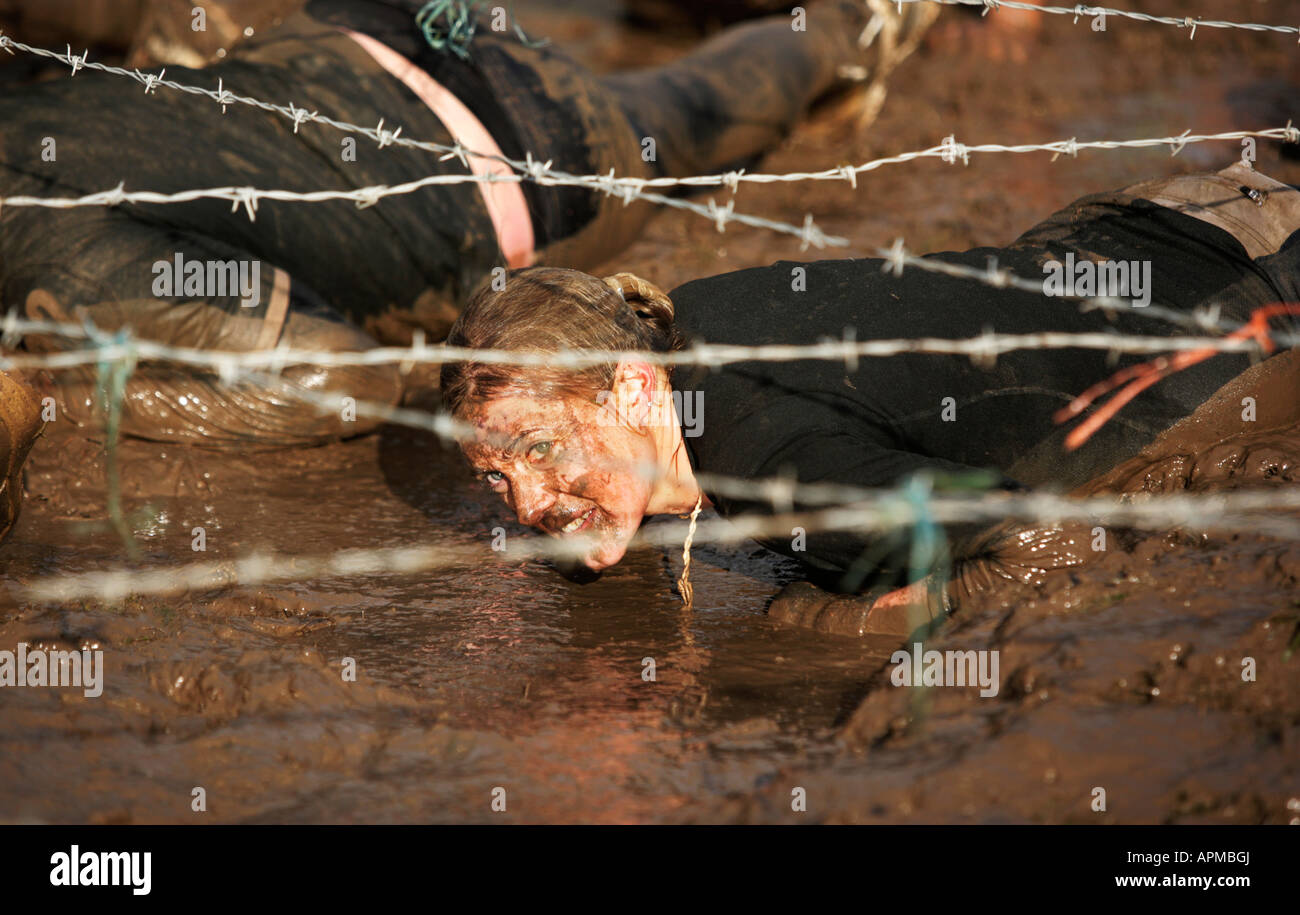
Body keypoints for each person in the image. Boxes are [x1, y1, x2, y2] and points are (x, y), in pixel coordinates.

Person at [0, 0, 938, 540]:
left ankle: (857, 21)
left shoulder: (50, 246)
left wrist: (53, 388)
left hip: (514, 149)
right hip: (340, 30)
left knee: (691, 114)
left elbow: (338, 375)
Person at [439, 161, 1300, 636]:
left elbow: (1043, 537)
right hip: (1149, 220)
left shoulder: (769, 461)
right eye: (494, 477)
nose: (523, 502)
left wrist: (840, 616)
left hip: (1245, 286)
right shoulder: (677, 324)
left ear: (629, 386)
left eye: (543, 449)